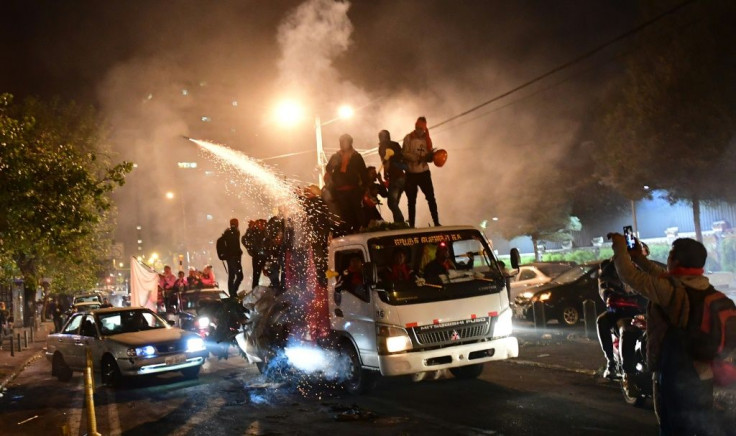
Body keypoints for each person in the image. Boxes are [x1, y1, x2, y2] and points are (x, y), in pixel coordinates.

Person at [610, 234, 723, 435]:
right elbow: (662, 275)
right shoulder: (701, 285)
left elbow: (630, 276)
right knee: (701, 426)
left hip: (676, 374)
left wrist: (620, 247)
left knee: (673, 428)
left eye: (670, 254)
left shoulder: (671, 290)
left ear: (676, 261)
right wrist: (638, 258)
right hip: (704, 372)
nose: (667, 259)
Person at [596, 259, 646, 379]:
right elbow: (604, 285)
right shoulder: (610, 268)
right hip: (619, 311)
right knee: (602, 321)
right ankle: (612, 362)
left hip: (642, 311)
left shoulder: (642, 267)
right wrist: (609, 295)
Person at [325, 133, 369, 233]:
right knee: (344, 214)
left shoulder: (356, 156)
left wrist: (365, 187)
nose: (342, 144)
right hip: (340, 191)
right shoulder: (336, 156)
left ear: (350, 143)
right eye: (341, 142)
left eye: (345, 142)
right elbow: (328, 169)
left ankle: (360, 230)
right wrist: (333, 164)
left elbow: (363, 172)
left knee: (356, 211)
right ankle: (348, 232)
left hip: (354, 189)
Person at [402, 116, 440, 227]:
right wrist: (416, 158)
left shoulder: (427, 139)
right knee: (411, 201)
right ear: (415, 127)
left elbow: (430, 154)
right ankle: (412, 225)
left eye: (421, 128)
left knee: (431, 198)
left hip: (424, 172)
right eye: (417, 127)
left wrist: (431, 157)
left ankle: (436, 222)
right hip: (411, 173)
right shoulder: (408, 138)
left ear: (424, 128)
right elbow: (404, 153)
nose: (419, 130)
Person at [378, 130, 406, 223]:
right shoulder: (396, 145)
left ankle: (400, 222)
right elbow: (403, 158)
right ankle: (398, 224)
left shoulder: (383, 146)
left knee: (391, 203)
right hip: (403, 177)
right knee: (395, 203)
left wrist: (385, 173)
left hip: (395, 177)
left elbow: (386, 161)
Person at [220, 218, 244, 297]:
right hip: (234, 257)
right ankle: (233, 292)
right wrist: (238, 253)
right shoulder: (233, 231)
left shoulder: (228, 231)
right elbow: (234, 246)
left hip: (230, 257)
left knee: (232, 276)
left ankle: (232, 293)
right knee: (239, 276)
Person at [243, 219, 268, 290]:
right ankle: (255, 289)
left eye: (263, 224)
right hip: (257, 257)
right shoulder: (254, 232)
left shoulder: (266, 232)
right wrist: (252, 250)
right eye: (260, 224)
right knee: (256, 275)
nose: (262, 226)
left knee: (270, 272)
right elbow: (244, 239)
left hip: (265, 256)